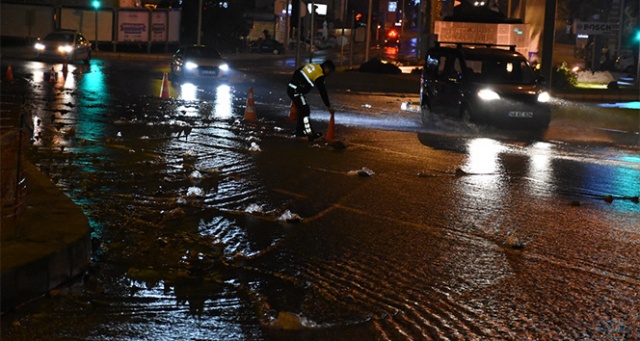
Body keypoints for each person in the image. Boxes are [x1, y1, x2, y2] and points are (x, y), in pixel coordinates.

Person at [287, 60, 336, 141]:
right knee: (305, 111)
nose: (328, 74)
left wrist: (298, 84)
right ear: (326, 68)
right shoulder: (319, 74)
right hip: (296, 92)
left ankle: (299, 132)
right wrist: (328, 106)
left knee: (303, 110)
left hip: (292, 88)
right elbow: (322, 91)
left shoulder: (313, 66)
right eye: (329, 72)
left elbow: (297, 71)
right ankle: (310, 134)